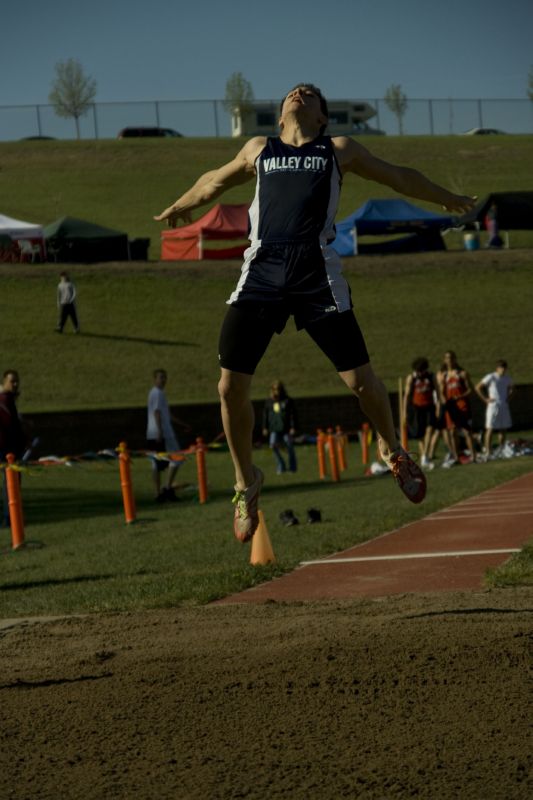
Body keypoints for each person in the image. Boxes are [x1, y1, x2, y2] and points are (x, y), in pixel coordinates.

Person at [154, 83, 476, 542]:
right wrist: (182, 205)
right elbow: (214, 179)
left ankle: (392, 449)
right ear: (281, 114)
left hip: (315, 272)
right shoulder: (259, 148)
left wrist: (443, 197)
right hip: (262, 270)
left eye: (311, 94)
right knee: (229, 386)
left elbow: (397, 176)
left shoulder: (338, 149)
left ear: (323, 118)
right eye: (293, 92)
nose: (300, 94)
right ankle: (246, 483)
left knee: (360, 381)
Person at [146, 369, 190, 502]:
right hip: (163, 433)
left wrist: (182, 424)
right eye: (161, 377)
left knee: (157, 463)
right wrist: (160, 431)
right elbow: (157, 413)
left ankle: (158, 493)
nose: (163, 380)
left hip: (155, 433)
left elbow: (167, 415)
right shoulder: (157, 393)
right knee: (177, 457)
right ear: (155, 379)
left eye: (165, 377)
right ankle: (166, 489)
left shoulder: (158, 393)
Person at [439, 350, 476, 466]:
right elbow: (441, 391)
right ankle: (456, 457)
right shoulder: (444, 375)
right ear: (444, 360)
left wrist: (460, 396)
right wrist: (444, 402)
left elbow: (471, 389)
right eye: (447, 358)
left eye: (451, 358)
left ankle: (473, 456)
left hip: (462, 405)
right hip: (450, 406)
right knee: (452, 431)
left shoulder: (462, 373)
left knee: (466, 431)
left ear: (455, 359)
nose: (449, 360)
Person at [0, 370, 27, 526]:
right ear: (4, 382)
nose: (15, 384)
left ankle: (12, 517)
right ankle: (10, 518)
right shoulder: (3, 401)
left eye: (17, 381)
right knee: (10, 485)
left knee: (13, 485)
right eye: (12, 382)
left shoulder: (9, 400)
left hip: (12, 450)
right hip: (5, 451)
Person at [403, 358, 438, 470]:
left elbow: (437, 391)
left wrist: (438, 406)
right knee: (420, 434)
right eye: (418, 371)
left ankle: (425, 457)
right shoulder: (411, 378)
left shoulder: (431, 376)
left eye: (421, 371)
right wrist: (404, 412)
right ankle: (425, 458)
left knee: (430, 429)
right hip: (416, 408)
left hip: (429, 406)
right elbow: (407, 395)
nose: (419, 373)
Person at [475, 360, 514, 457]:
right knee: (490, 428)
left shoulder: (507, 378)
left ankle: (502, 449)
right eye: (501, 367)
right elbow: (477, 387)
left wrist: (508, 398)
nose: (503, 369)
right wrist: (485, 399)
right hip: (493, 405)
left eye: (504, 367)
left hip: (503, 406)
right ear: (497, 368)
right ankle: (488, 450)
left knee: (503, 428)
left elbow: (512, 388)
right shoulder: (491, 376)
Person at [262, 380, 298, 474]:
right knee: (273, 445)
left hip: (286, 429)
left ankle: (292, 467)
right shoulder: (269, 401)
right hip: (274, 428)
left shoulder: (287, 401)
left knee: (289, 445)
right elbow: (265, 415)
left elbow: (292, 415)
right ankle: (281, 466)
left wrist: (293, 427)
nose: (276, 391)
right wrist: (265, 427)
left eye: (278, 389)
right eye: (274, 389)